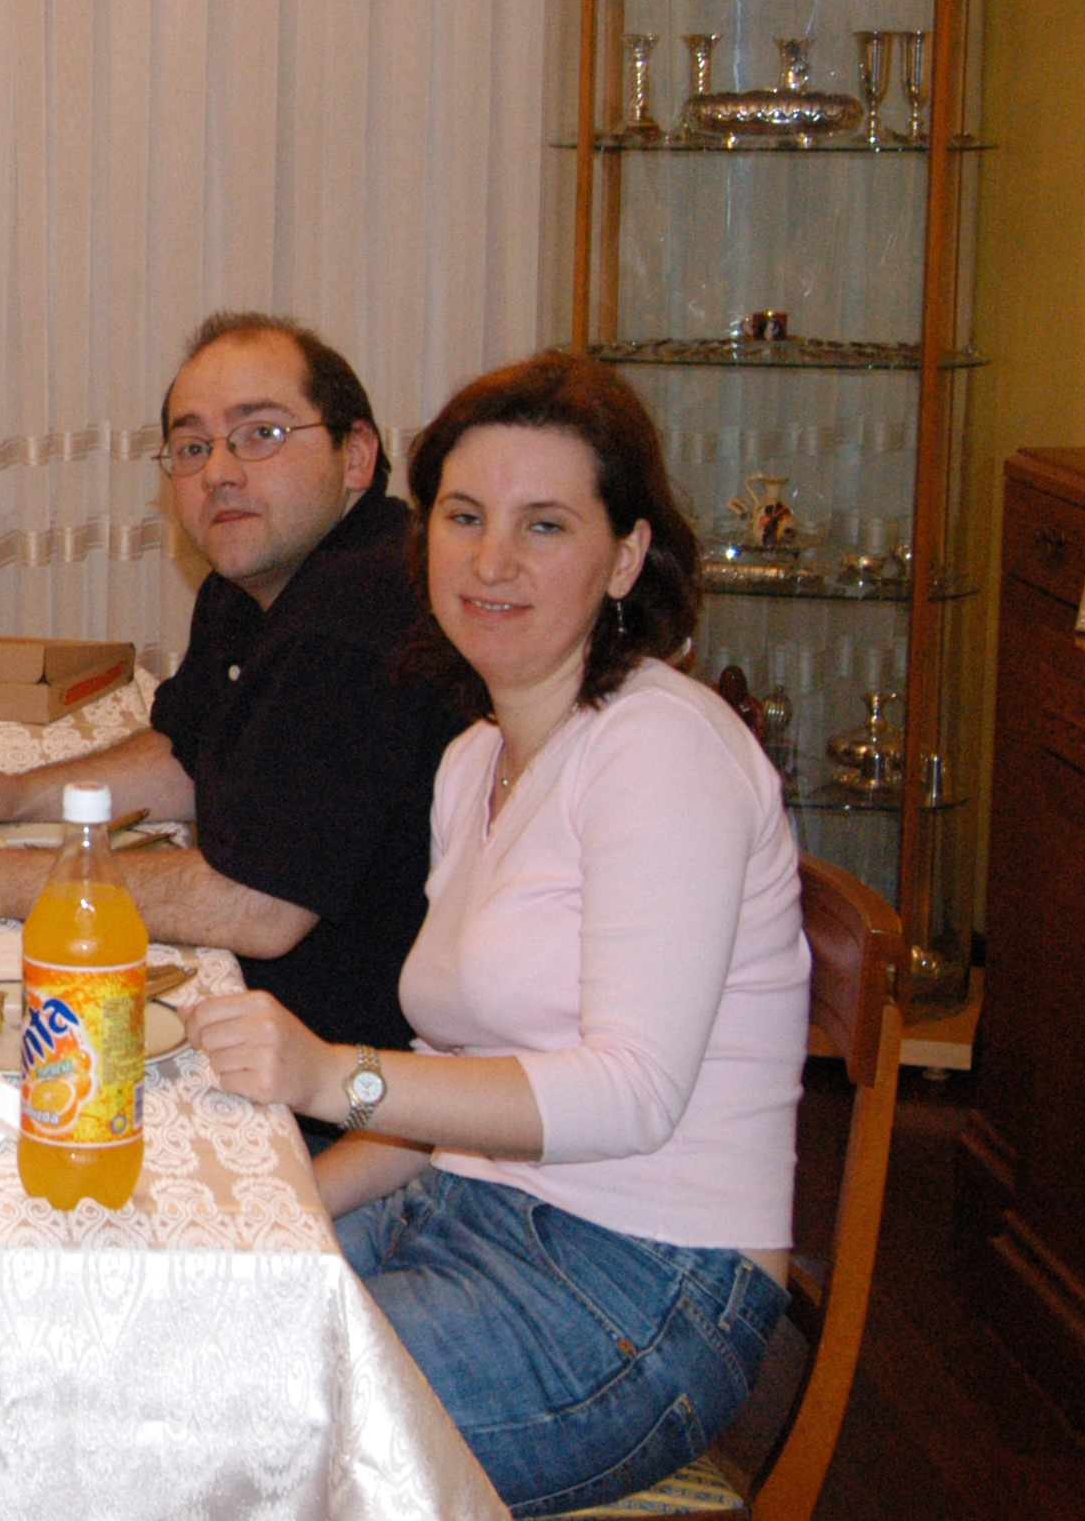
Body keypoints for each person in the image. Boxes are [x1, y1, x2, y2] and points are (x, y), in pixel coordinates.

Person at [188, 353, 807, 1514]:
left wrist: (332, 1076)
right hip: (459, 1210)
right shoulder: (476, 757)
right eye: (463, 516)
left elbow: (629, 1092)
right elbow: (450, 1093)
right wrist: (271, 1201)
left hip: (636, 1284)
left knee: (229, 1438)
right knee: (159, 1334)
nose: (489, 560)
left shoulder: (659, 747)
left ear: (623, 554)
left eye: (543, 524)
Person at [0, 313, 468, 1059]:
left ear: (357, 456)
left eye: (261, 434)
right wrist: (20, 795)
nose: (219, 472)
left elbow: (259, 906)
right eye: (192, 447)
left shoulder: (358, 613)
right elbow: (191, 755)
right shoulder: (256, 579)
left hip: (346, 1065)